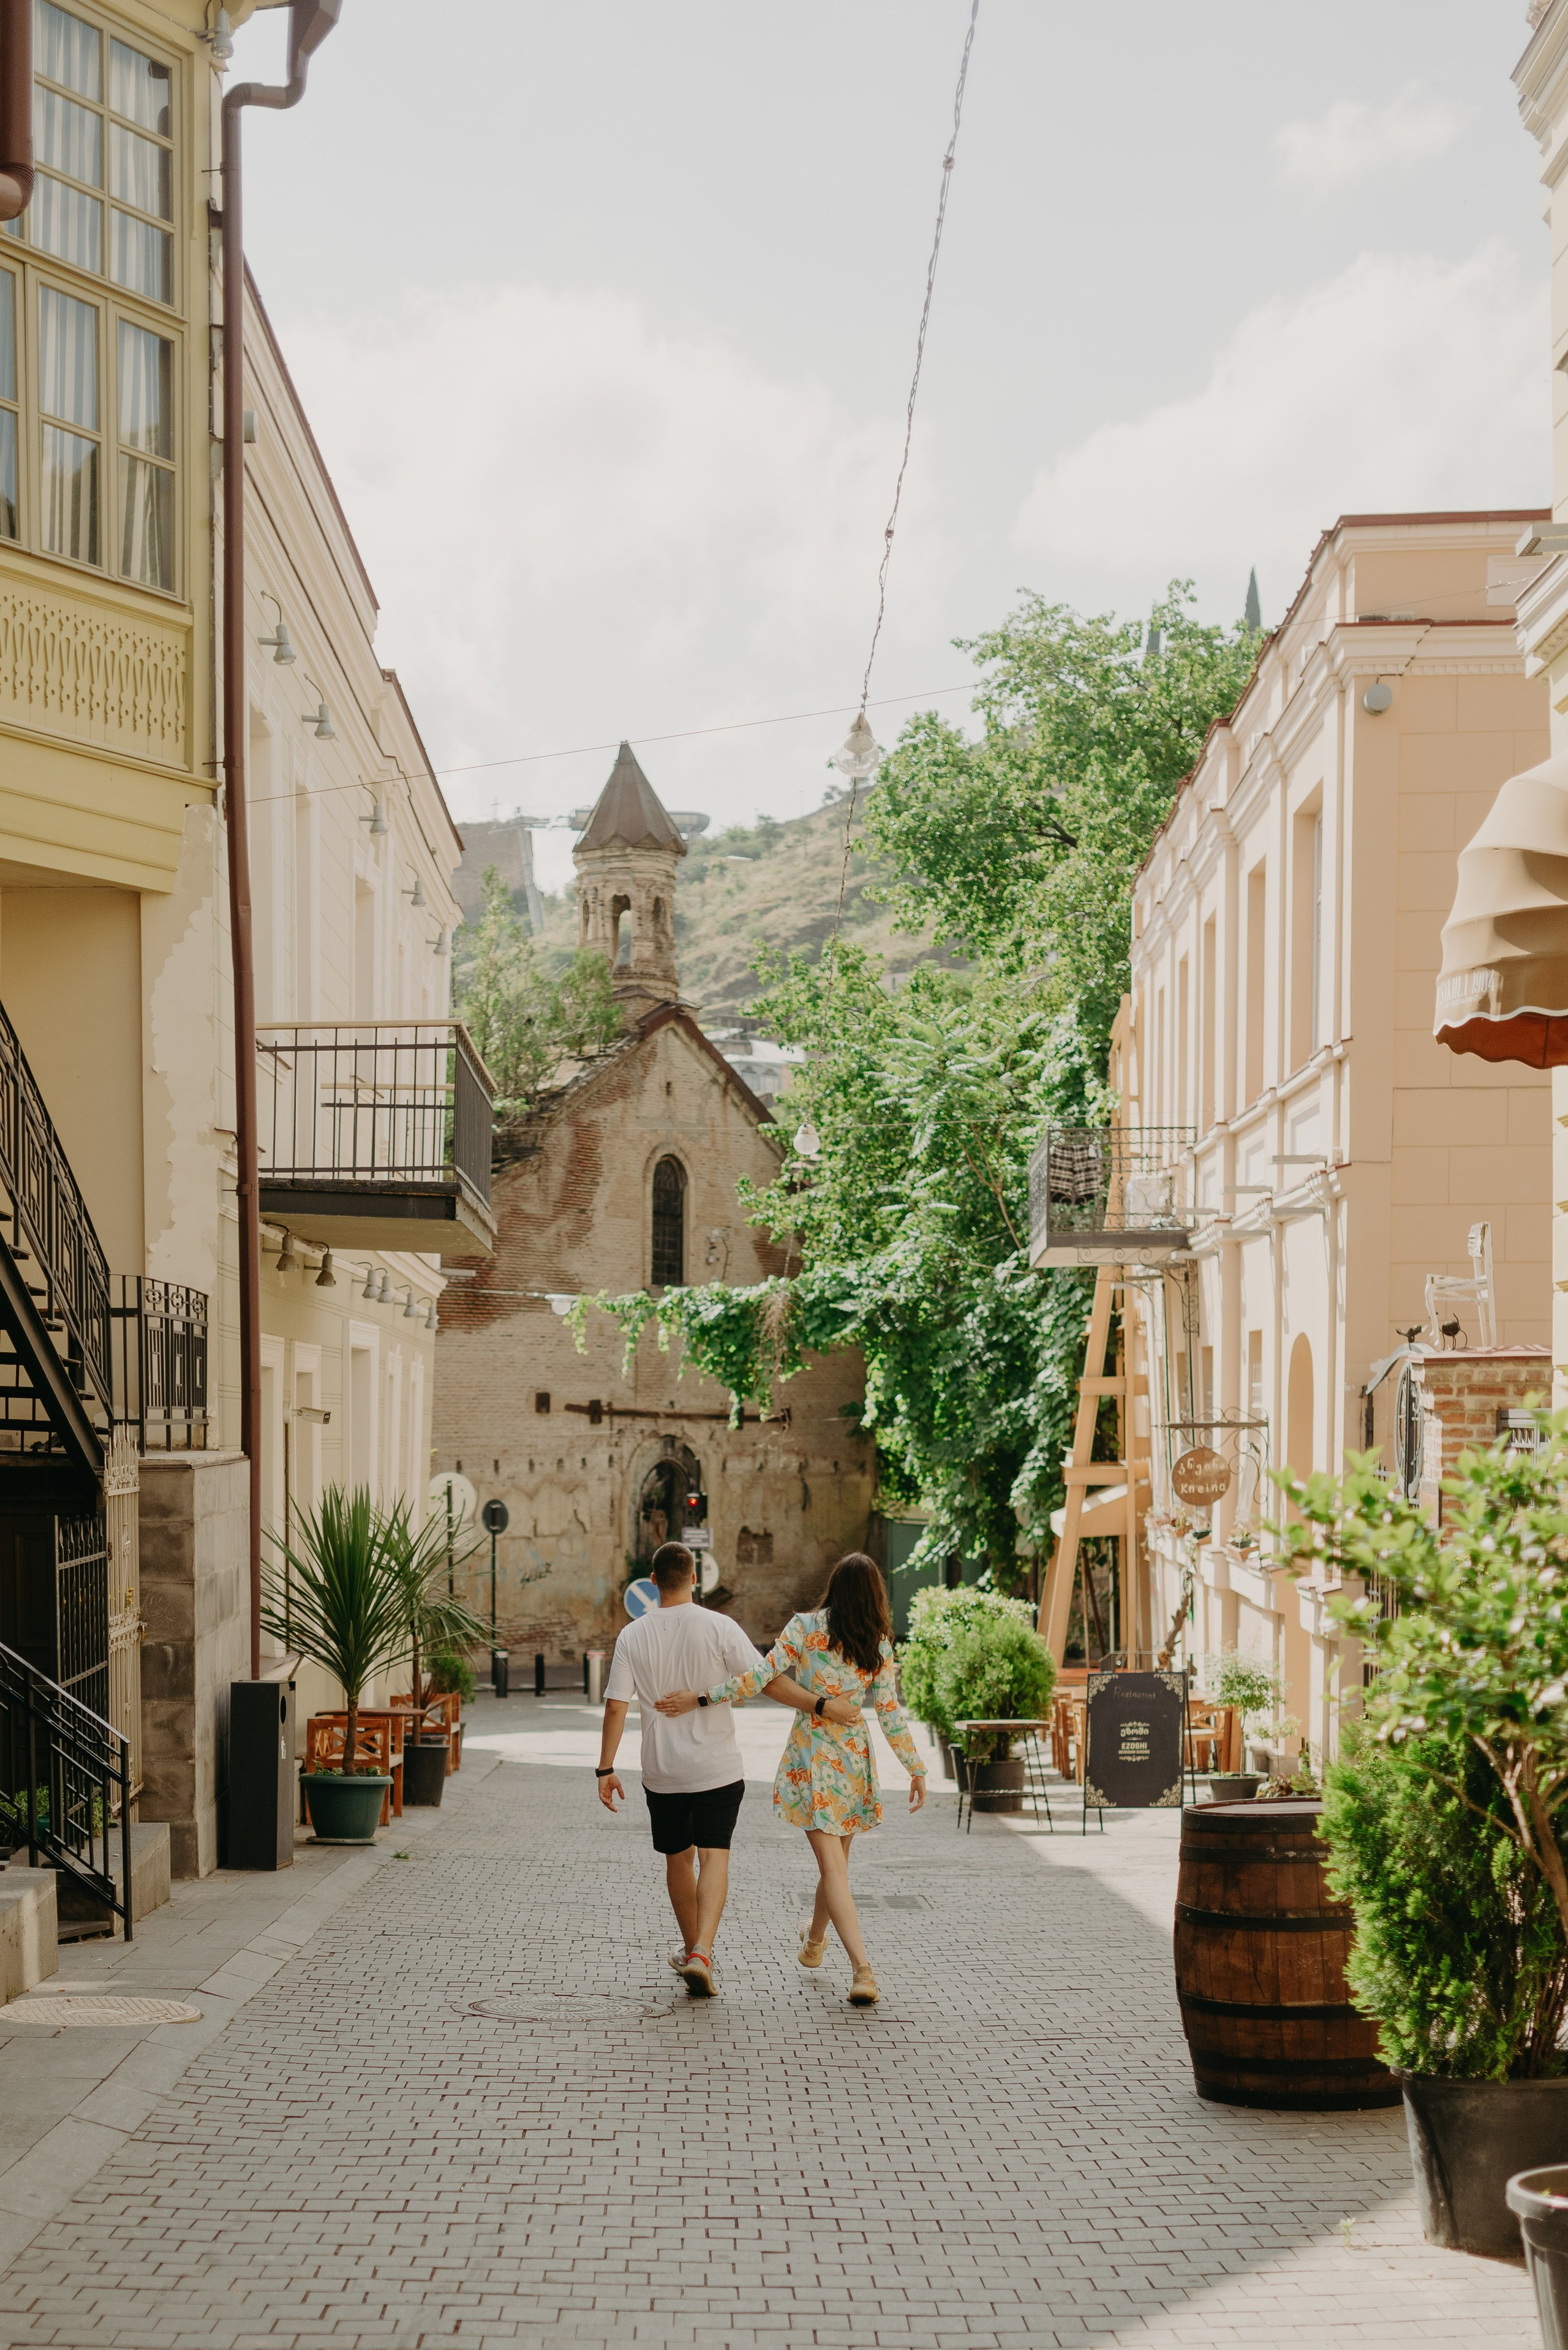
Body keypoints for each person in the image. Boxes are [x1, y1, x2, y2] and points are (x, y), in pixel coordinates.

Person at [655, 1550, 926, 2007]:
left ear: (834, 1588)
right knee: (836, 1867)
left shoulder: (804, 1627)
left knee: (833, 1869)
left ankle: (862, 1969)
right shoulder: (879, 1643)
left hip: (815, 1761)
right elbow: (889, 1713)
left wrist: (701, 1698)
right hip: (854, 1764)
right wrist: (916, 1768)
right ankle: (815, 1943)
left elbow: (757, 1677)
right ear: (875, 1596)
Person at [597, 1540, 857, 1997]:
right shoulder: (719, 1626)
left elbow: (616, 1707)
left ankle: (694, 1950)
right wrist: (822, 1705)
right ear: (695, 1578)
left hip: (663, 1770)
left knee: (678, 1858)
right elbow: (767, 1682)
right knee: (715, 1854)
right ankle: (702, 1949)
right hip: (717, 1768)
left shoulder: (632, 1635)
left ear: (653, 1581)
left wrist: (605, 1769)